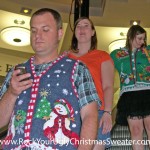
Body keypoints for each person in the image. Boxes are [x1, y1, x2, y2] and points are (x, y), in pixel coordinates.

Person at [0, 8, 101, 150]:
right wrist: (11, 93)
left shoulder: (78, 69)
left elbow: (90, 115)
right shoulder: (16, 72)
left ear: (60, 33)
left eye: (45, 29)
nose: (37, 35)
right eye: (33, 30)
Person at [67, 17, 114, 150]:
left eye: (86, 25)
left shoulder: (102, 56)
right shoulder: (65, 57)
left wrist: (108, 113)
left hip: (97, 112)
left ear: (93, 32)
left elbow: (108, 86)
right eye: (78, 26)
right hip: (69, 113)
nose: (81, 29)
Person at [110, 25, 150, 150]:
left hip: (148, 92)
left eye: (144, 39)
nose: (142, 42)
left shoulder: (148, 50)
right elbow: (100, 62)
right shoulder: (116, 54)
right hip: (129, 96)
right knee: (136, 131)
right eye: (139, 38)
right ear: (131, 36)